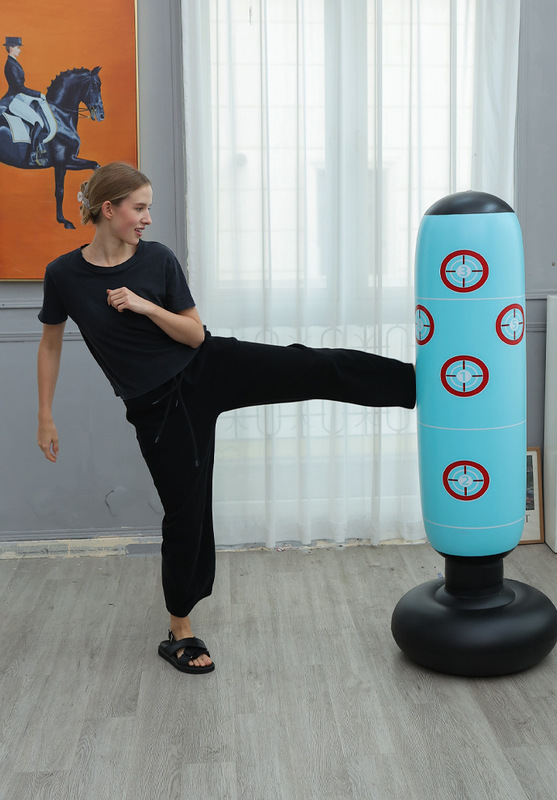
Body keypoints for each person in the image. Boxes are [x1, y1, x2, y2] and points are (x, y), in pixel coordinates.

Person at [37, 162, 416, 675]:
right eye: (140, 208)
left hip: (208, 366)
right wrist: (45, 415)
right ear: (109, 209)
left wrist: (146, 307)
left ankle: (417, 383)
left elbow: (195, 335)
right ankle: (180, 627)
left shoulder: (157, 260)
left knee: (308, 365)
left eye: (149, 208)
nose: (147, 218)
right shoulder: (64, 275)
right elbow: (50, 344)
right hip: (157, 407)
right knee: (186, 513)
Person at [2, 36, 49, 165]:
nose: (20, 50)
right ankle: (33, 154)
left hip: (19, 96)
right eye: (18, 47)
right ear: (10, 48)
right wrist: (38, 94)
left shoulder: (14, 62)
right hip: (13, 99)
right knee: (38, 122)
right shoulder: (10, 65)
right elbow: (19, 87)